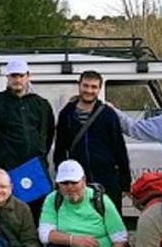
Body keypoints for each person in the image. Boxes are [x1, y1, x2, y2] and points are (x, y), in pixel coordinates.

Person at [0, 58, 54, 220]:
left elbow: (47, 134)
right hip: (8, 170)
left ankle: (37, 245)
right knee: (10, 216)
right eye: (13, 76)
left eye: (20, 76)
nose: (17, 80)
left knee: (39, 215)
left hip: (35, 170)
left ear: (27, 76)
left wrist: (40, 156)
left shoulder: (41, 104)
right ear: (8, 78)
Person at [54, 70, 131, 211]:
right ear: (79, 86)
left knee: (110, 221)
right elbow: (60, 150)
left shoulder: (108, 114)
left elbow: (119, 148)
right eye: (86, 86)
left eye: (94, 87)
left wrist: (125, 183)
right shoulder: (66, 114)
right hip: (77, 180)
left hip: (107, 179)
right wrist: (62, 180)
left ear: (99, 89)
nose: (89, 90)